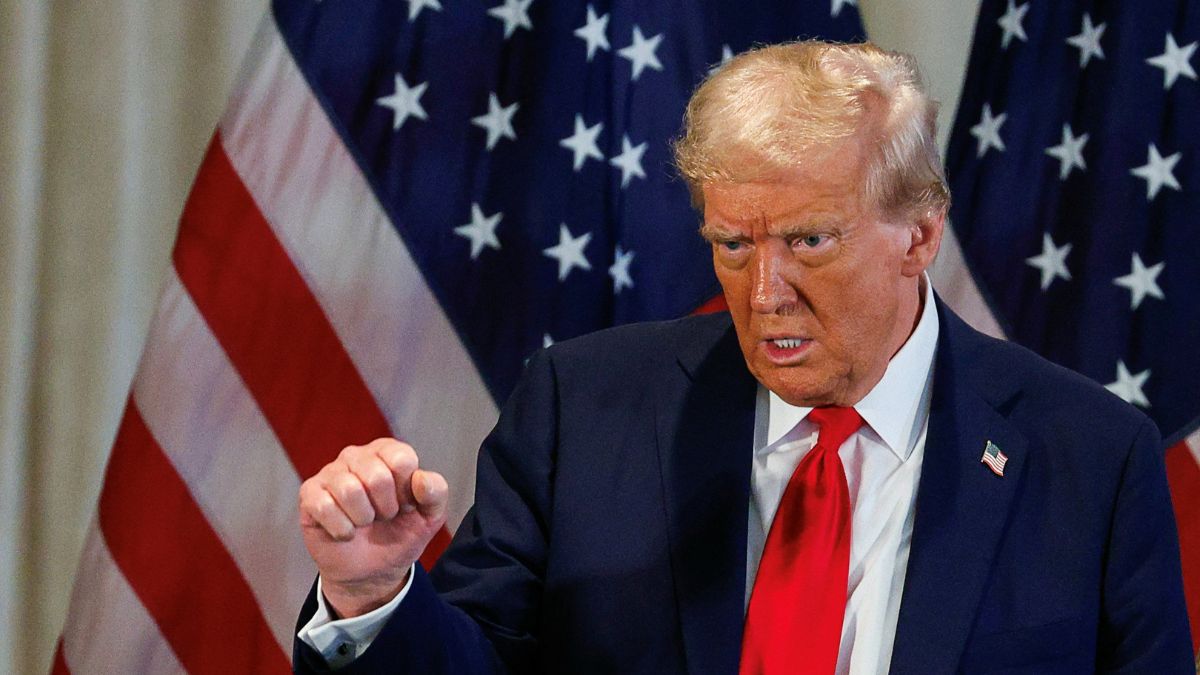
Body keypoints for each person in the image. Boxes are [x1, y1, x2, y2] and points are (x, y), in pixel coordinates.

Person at [292, 41, 1194, 673]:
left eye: (808, 241)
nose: (764, 293)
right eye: (733, 245)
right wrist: (372, 595)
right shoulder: (581, 410)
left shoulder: (1093, 457)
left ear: (919, 234)